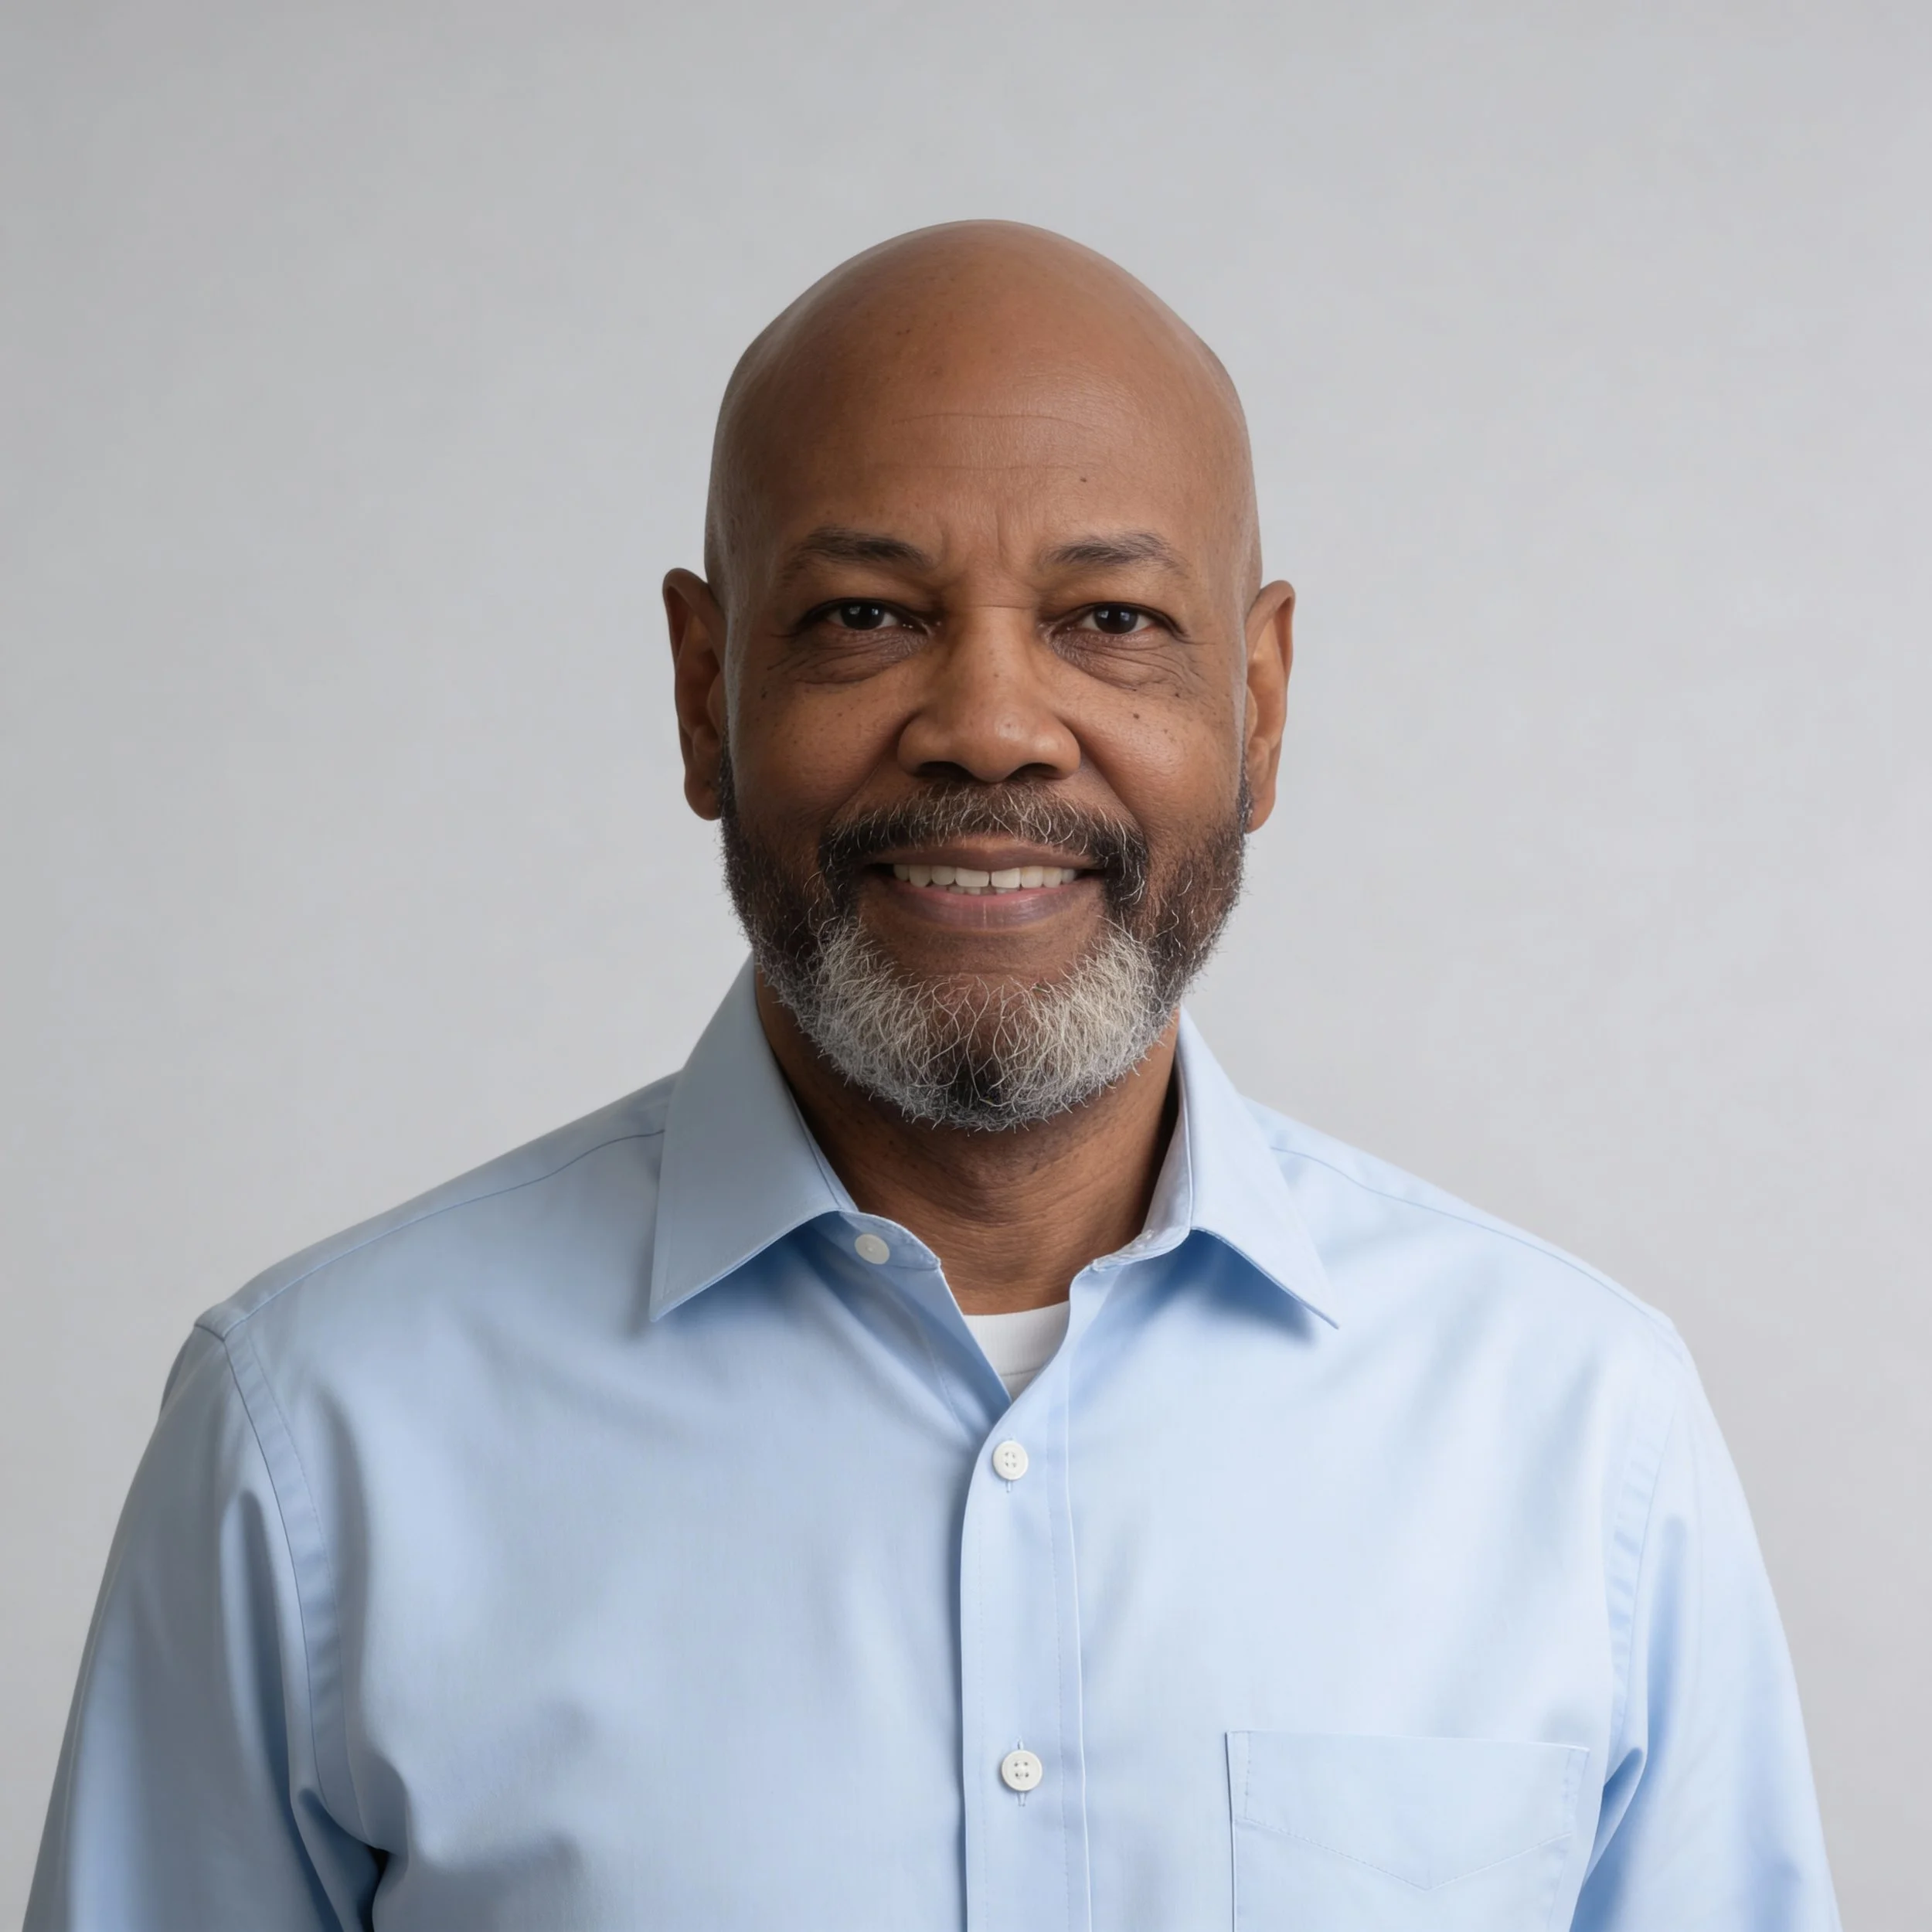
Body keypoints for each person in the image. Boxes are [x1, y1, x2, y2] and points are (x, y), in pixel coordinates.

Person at [27, 221, 1838, 1930]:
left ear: (1260, 705)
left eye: (1110, 619)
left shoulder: (1576, 1434)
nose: (985, 721)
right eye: (866, 615)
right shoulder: (320, 1434)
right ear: (700, 688)